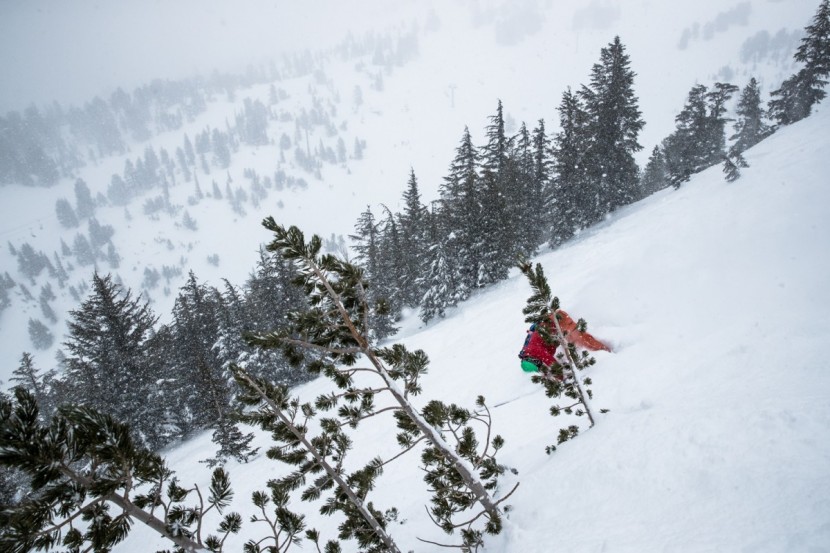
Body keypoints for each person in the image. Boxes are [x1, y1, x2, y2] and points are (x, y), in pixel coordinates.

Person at [518, 310, 610, 375]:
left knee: (583, 339)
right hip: (553, 328)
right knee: (578, 341)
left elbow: (553, 364)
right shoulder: (525, 352)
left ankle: (606, 350)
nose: (540, 364)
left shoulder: (535, 351)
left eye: (538, 363)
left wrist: (561, 378)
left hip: (558, 322)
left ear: (534, 360)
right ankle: (602, 349)